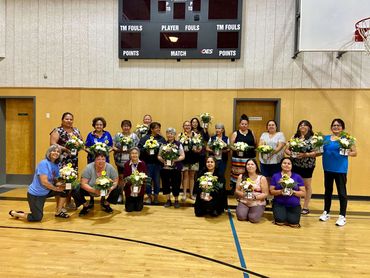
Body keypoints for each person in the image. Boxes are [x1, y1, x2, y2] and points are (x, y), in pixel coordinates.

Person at [9, 145, 68, 221]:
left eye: (58, 151)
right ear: (49, 152)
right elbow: (44, 182)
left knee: (65, 189)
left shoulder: (56, 165)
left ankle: (59, 212)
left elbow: (56, 180)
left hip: (47, 191)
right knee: (37, 218)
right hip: (36, 194)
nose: (56, 153)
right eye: (54, 151)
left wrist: (65, 183)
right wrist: (56, 189)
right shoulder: (43, 163)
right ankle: (15, 213)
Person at [319, 119, 357, 226]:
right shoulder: (325, 138)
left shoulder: (347, 138)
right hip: (327, 168)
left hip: (340, 169)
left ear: (342, 127)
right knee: (328, 191)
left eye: (338, 125)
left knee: (342, 192)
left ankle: (342, 216)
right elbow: (320, 151)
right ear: (331, 127)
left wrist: (347, 152)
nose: (336, 127)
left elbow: (355, 153)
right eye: (334, 125)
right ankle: (326, 212)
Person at [285, 120, 317, 215]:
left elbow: (318, 152)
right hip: (295, 165)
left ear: (309, 127)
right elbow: (287, 149)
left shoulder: (313, 138)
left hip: (307, 165)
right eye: (301, 125)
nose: (302, 126)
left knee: (307, 186)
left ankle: (306, 206)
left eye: (305, 125)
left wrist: (305, 154)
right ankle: (296, 204)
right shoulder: (294, 137)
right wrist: (291, 153)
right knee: (295, 184)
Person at [270, 157, 306, 228]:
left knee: (294, 224)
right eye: (284, 163)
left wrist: (293, 192)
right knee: (280, 222)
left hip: (294, 204)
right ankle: (281, 215)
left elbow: (303, 193)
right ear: (281, 165)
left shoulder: (297, 176)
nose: (286, 165)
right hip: (279, 203)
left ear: (292, 165)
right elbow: (271, 191)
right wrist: (280, 192)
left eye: (289, 163)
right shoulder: (276, 176)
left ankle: (289, 216)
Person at [138, 122, 166, 204]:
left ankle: (156, 196)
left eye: (159, 128)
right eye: (156, 128)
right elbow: (139, 149)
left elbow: (165, 150)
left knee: (157, 181)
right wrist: (147, 149)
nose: (158, 129)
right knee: (148, 181)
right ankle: (149, 196)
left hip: (157, 164)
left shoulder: (161, 139)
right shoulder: (145, 138)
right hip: (147, 164)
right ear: (151, 129)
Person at [158, 128, 185, 208]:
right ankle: (168, 200)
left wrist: (175, 160)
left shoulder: (178, 144)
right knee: (165, 184)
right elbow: (159, 156)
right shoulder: (163, 144)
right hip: (165, 168)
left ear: (174, 135)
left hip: (175, 168)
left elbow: (182, 156)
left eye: (171, 133)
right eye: (168, 133)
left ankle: (176, 200)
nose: (170, 135)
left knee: (176, 184)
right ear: (166, 134)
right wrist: (163, 161)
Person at [234, 159, 268, 223]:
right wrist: (244, 195)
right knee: (241, 217)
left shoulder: (262, 178)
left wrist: (255, 197)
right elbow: (237, 190)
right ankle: (246, 210)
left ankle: (256, 210)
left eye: (252, 164)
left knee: (253, 219)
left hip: (257, 202)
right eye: (248, 164)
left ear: (256, 166)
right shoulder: (241, 176)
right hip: (244, 201)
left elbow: (265, 193)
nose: (250, 166)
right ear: (246, 166)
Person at [230, 114, 257, 194]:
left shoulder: (251, 132)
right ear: (239, 124)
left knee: (248, 174)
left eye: (246, 124)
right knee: (237, 175)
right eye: (242, 124)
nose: (244, 125)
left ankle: (248, 190)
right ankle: (237, 191)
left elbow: (255, 143)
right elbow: (231, 146)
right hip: (238, 159)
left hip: (249, 158)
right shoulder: (236, 133)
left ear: (248, 124)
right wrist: (237, 149)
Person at [178, 120, 200, 201]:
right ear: (183, 127)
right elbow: (176, 147)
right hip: (184, 159)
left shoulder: (196, 135)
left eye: (188, 125)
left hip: (194, 158)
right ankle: (184, 194)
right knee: (185, 176)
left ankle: (191, 194)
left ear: (191, 126)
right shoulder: (180, 135)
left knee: (192, 177)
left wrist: (197, 150)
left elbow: (200, 147)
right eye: (185, 125)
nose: (187, 127)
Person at [113, 120, 140, 184]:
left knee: (131, 176)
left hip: (131, 160)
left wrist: (131, 151)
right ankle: (120, 192)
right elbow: (113, 146)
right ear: (122, 127)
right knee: (121, 177)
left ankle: (129, 192)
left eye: (127, 126)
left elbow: (137, 148)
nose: (126, 128)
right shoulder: (118, 135)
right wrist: (120, 150)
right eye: (124, 126)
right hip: (119, 160)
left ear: (130, 127)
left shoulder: (134, 136)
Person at [122, 147, 148, 212]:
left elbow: (145, 177)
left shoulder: (143, 163)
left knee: (138, 209)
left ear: (138, 154)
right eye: (132, 153)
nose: (134, 155)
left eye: (136, 153)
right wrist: (131, 179)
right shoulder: (126, 164)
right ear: (130, 155)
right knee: (129, 210)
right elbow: (125, 178)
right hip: (129, 190)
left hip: (139, 190)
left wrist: (140, 180)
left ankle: (138, 202)